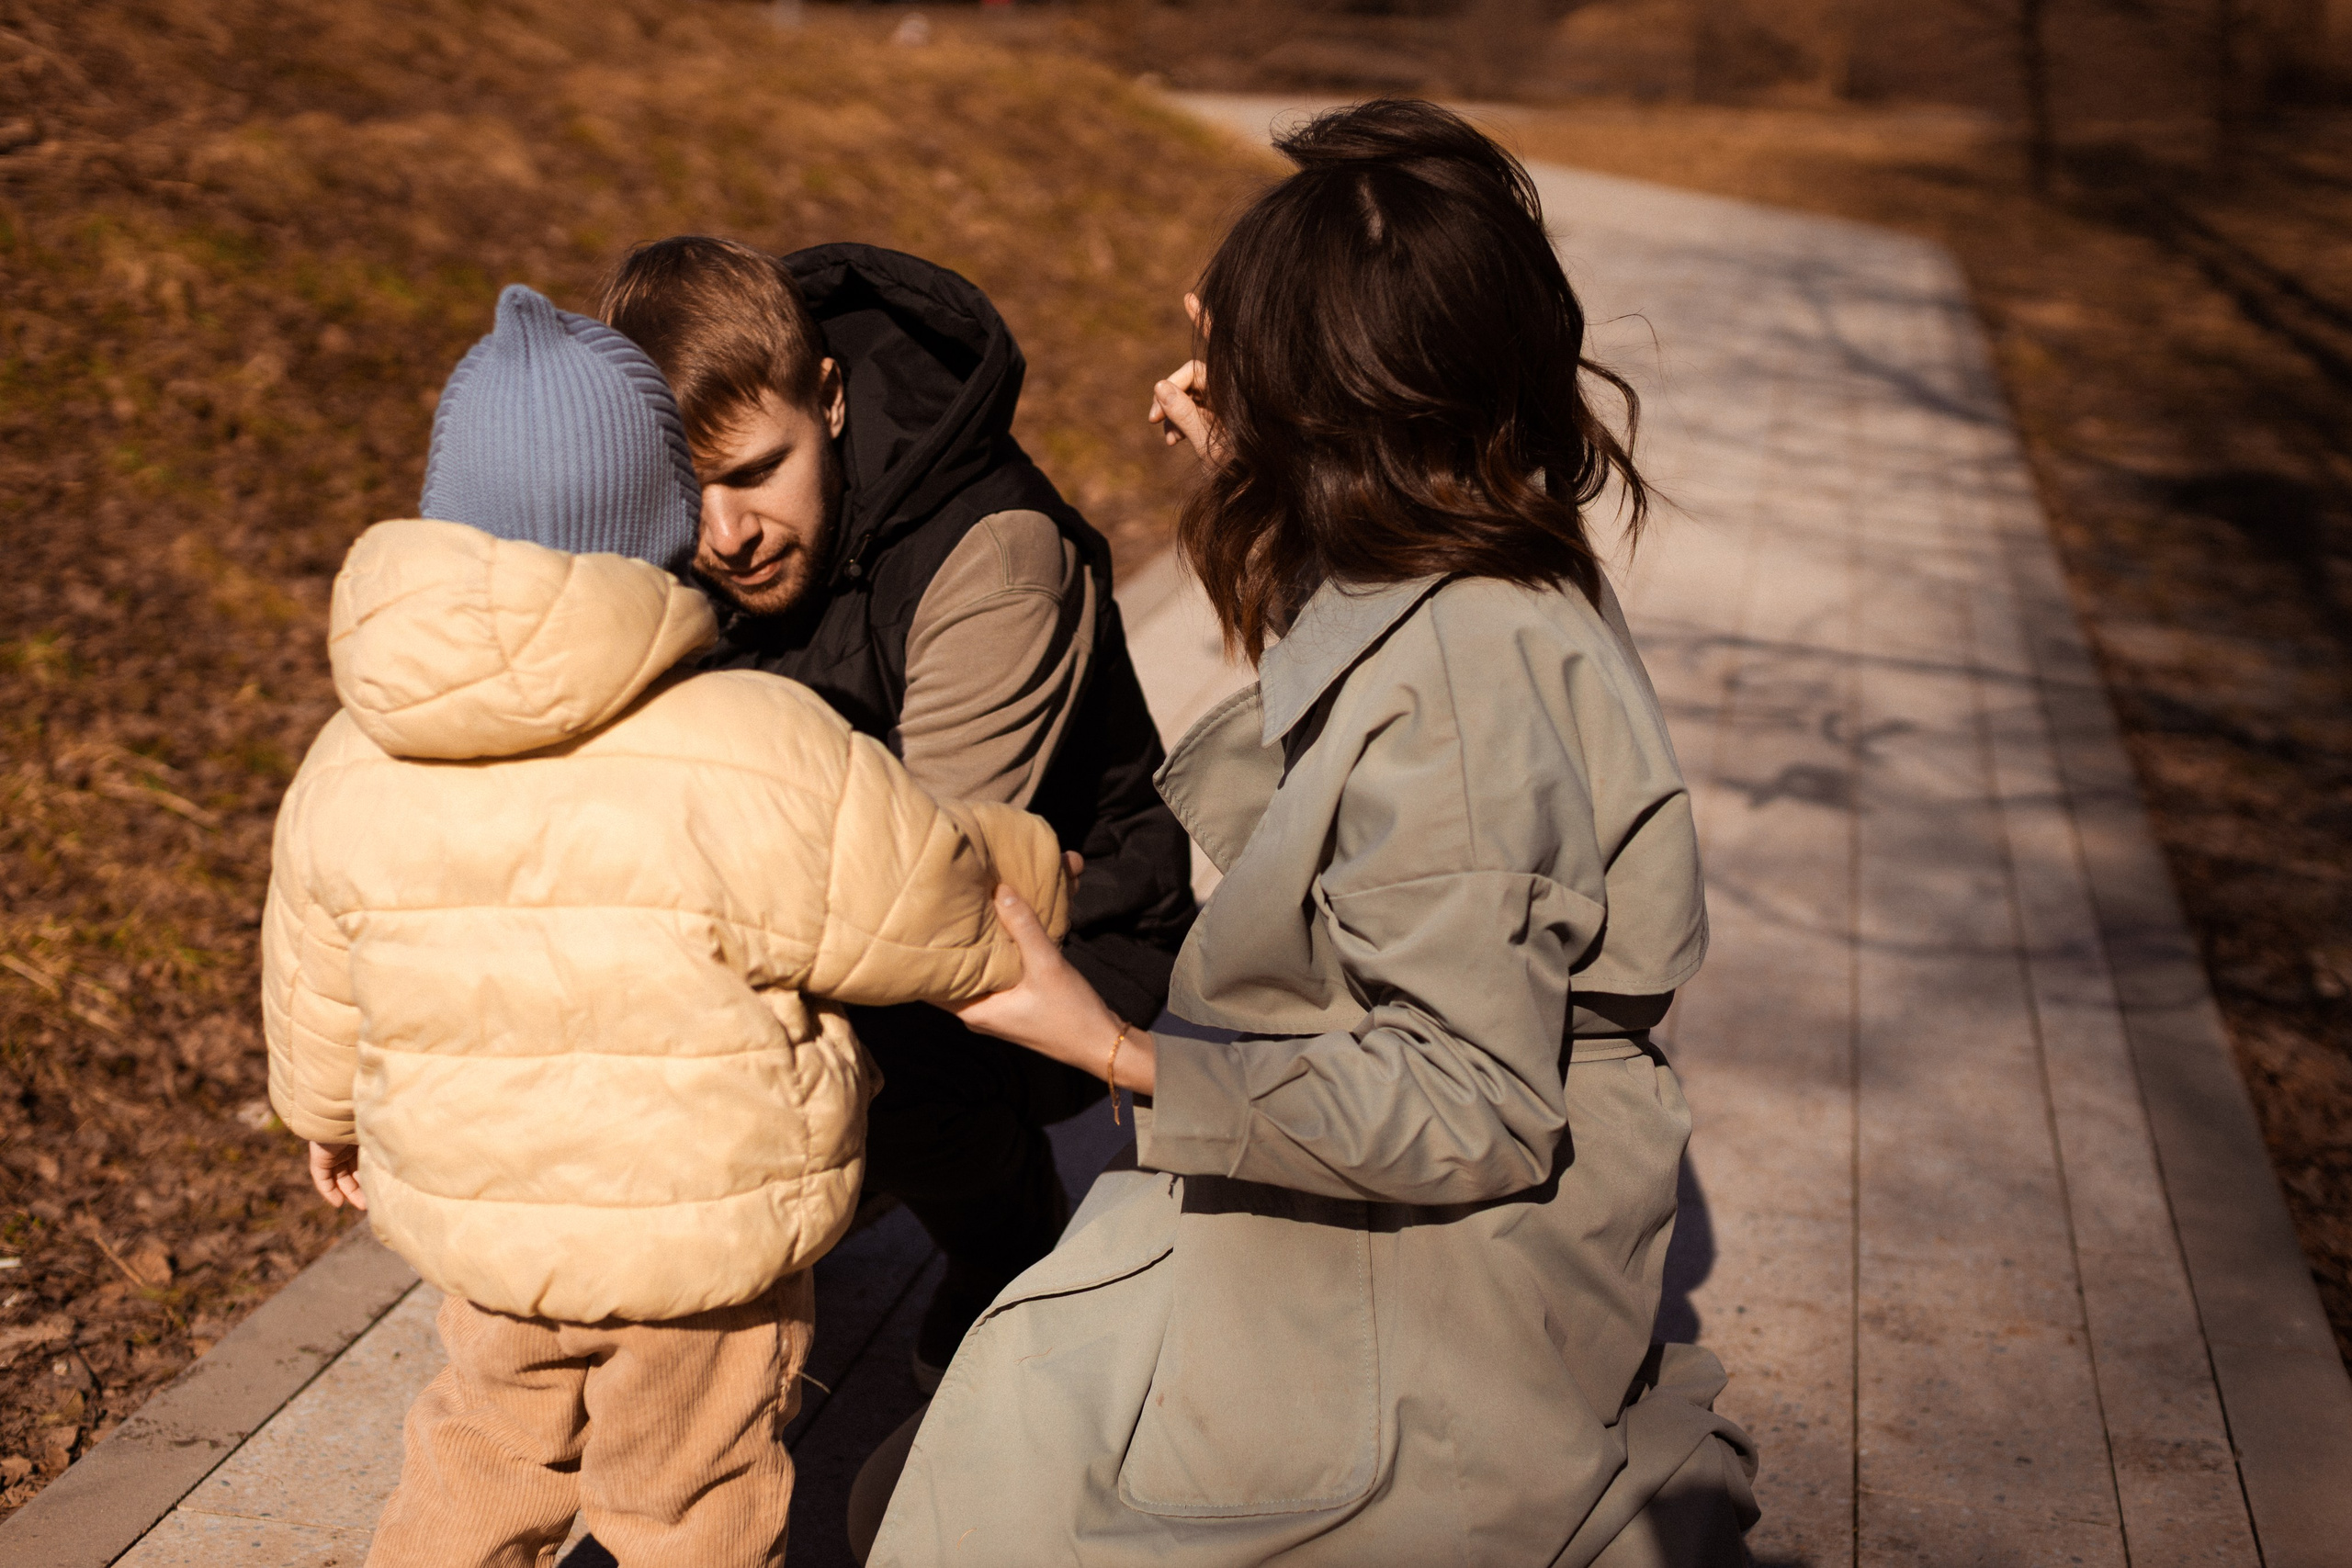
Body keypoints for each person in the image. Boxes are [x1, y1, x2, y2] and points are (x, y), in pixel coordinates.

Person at [862, 101, 1760, 1565]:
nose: (1200, 357)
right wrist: (1255, 467)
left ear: (1337, 403)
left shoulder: (1475, 667)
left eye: (1245, 343)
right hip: (1378, 1213)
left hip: (1431, 1292)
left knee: (959, 1499)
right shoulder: (1482, 540)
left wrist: (1111, 1044)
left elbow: (1471, 1098)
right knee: (947, 1464)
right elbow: (1385, 730)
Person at [260, 286, 1072, 1567]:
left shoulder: (351, 755)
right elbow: (922, 894)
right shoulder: (751, 745)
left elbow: (311, 958)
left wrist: (323, 1107)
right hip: (704, 1251)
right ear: (660, 521)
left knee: (475, 1455)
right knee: (686, 1498)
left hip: (496, 1235)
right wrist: (1043, 861)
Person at [600, 239, 1195, 1384]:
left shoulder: (994, 551)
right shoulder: (673, 532)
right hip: (823, 890)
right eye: (692, 491)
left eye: (759, 471)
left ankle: (1008, 1234)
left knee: (896, 1037)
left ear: (826, 397)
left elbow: (925, 890)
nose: (726, 536)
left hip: (1063, 923)